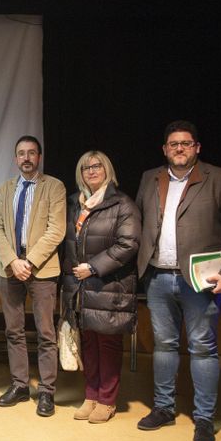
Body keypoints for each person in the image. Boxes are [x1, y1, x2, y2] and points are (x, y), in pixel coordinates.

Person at [135, 120, 221, 441]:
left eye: (186, 143)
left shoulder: (220, 179)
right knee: (164, 346)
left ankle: (204, 417)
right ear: (165, 149)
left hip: (200, 282)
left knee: (202, 347)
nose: (180, 148)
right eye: (174, 144)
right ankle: (164, 408)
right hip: (157, 277)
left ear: (197, 147)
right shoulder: (149, 178)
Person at [61, 151, 140, 424]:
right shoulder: (75, 203)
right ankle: (91, 396)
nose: (91, 171)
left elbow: (128, 244)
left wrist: (93, 267)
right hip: (79, 286)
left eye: (97, 166)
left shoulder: (122, 204)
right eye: (85, 168)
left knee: (107, 343)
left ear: (107, 169)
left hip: (109, 284)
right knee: (89, 343)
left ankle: (107, 400)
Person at [0, 135, 66, 417]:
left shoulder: (54, 187)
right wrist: (12, 260)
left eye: (31, 153)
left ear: (39, 156)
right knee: (14, 331)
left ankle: (46, 391)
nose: (26, 158)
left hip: (42, 270)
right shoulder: (5, 189)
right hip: (9, 270)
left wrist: (30, 262)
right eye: (21, 153)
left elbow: (56, 230)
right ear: (15, 158)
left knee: (46, 333)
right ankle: (20, 385)